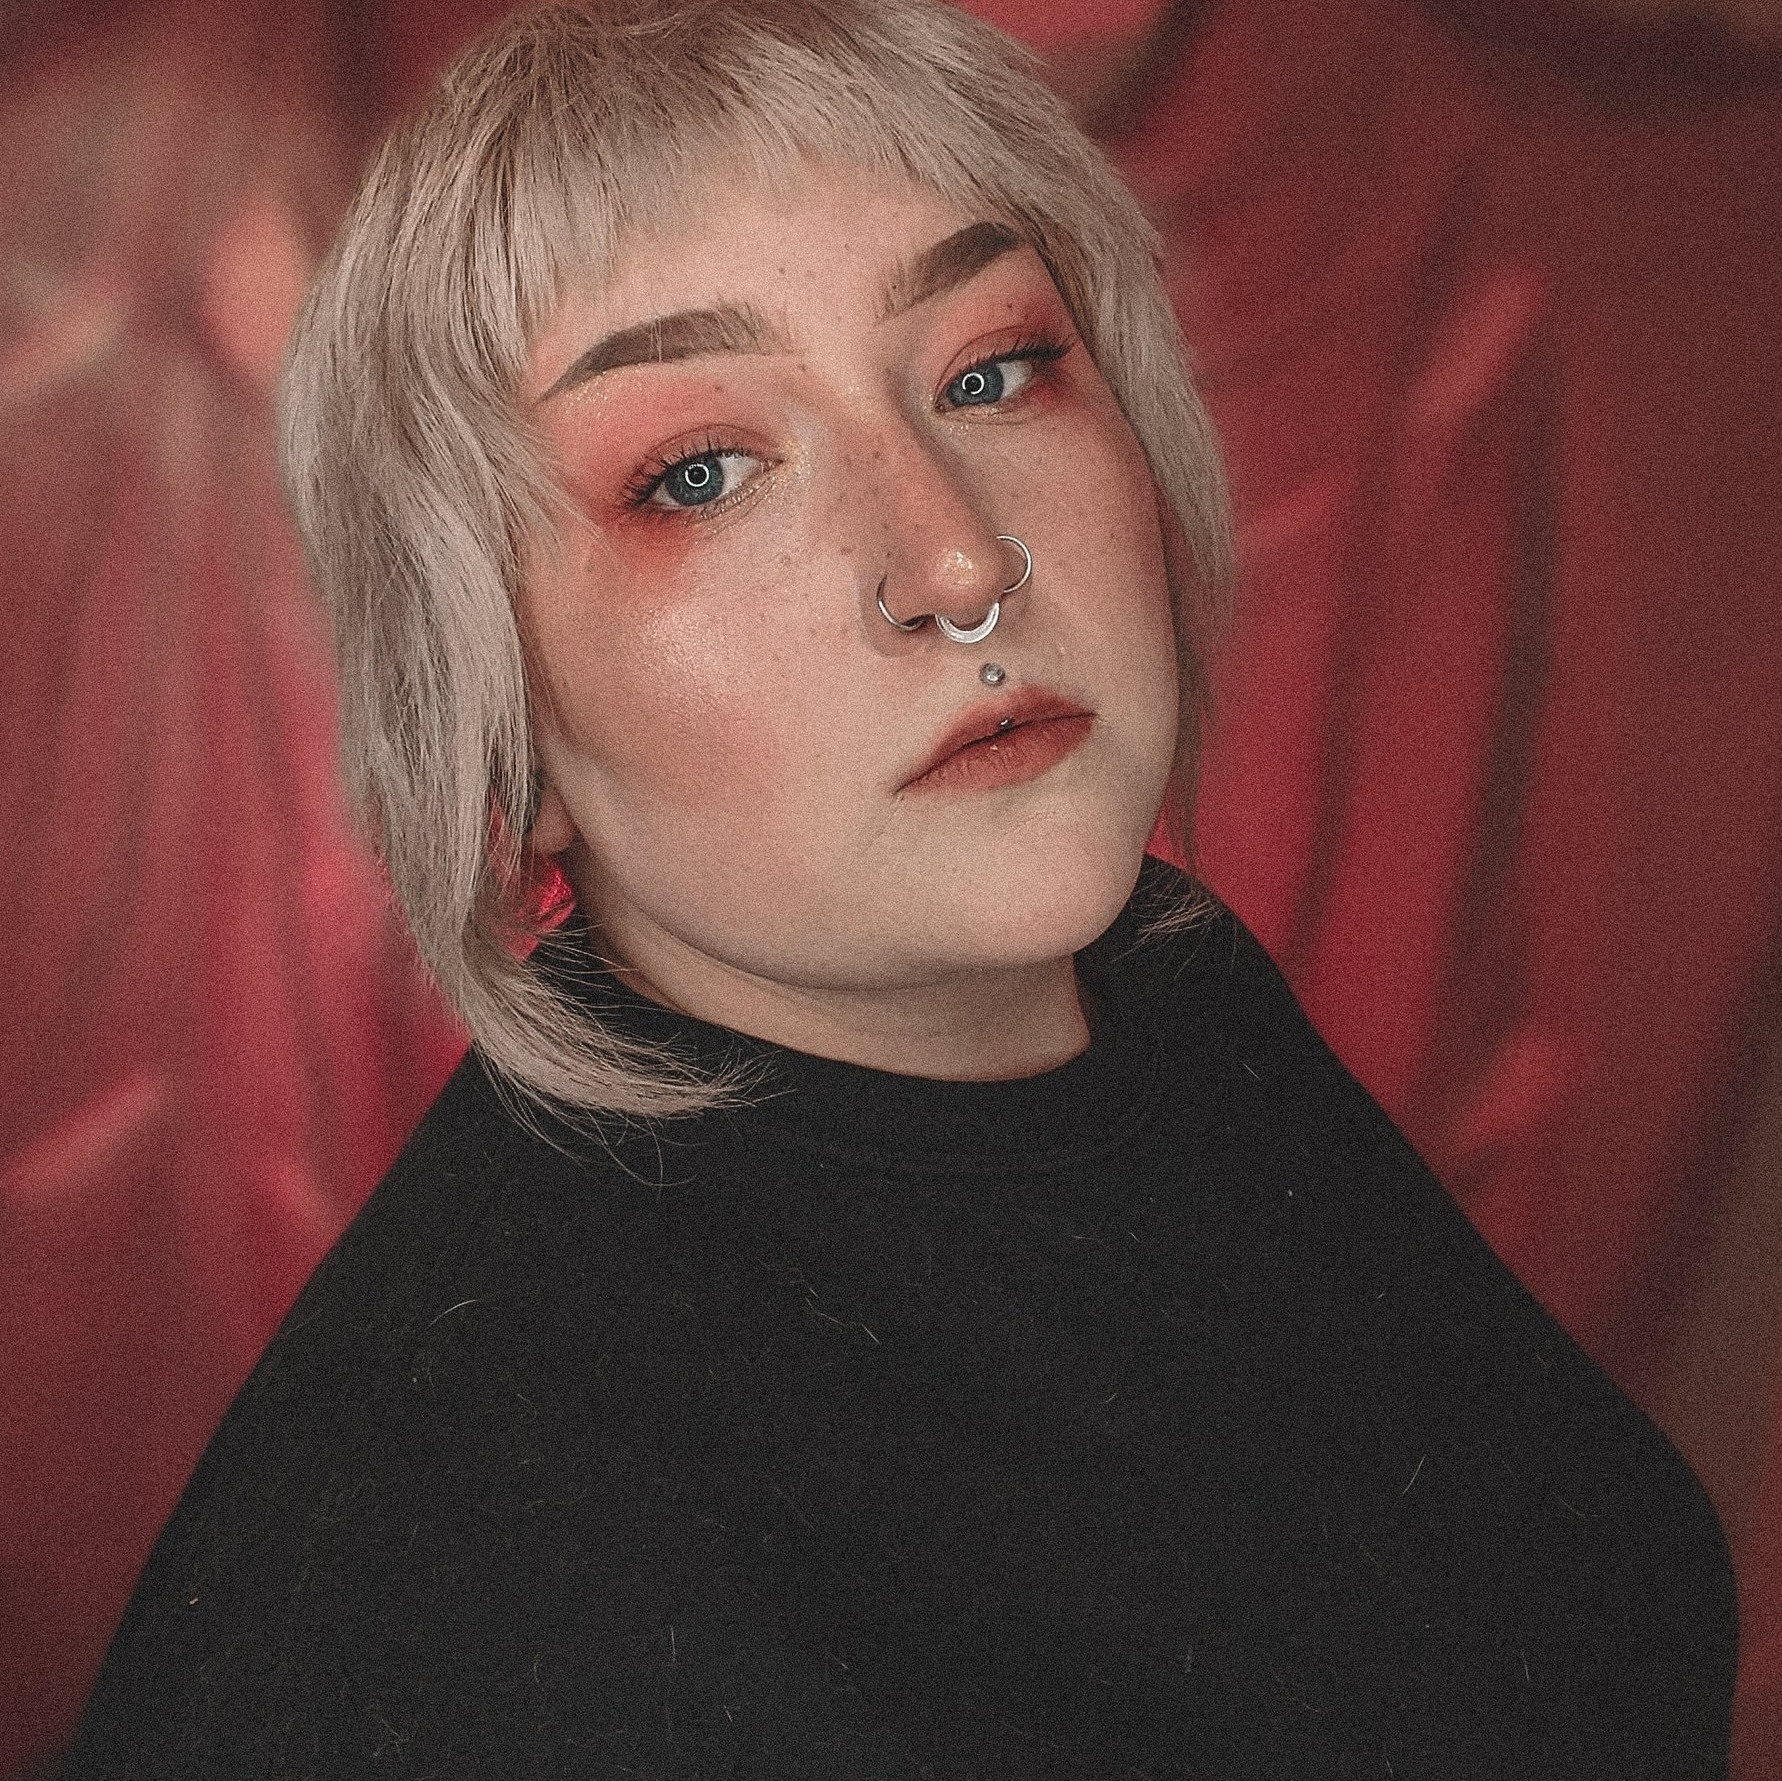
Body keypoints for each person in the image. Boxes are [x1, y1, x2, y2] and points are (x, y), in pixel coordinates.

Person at [64, 2, 1737, 1774]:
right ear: (503, 730)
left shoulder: (1163, 991)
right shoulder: (499, 1587)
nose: (953, 556)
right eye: (700, 473)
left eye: (988, 371)